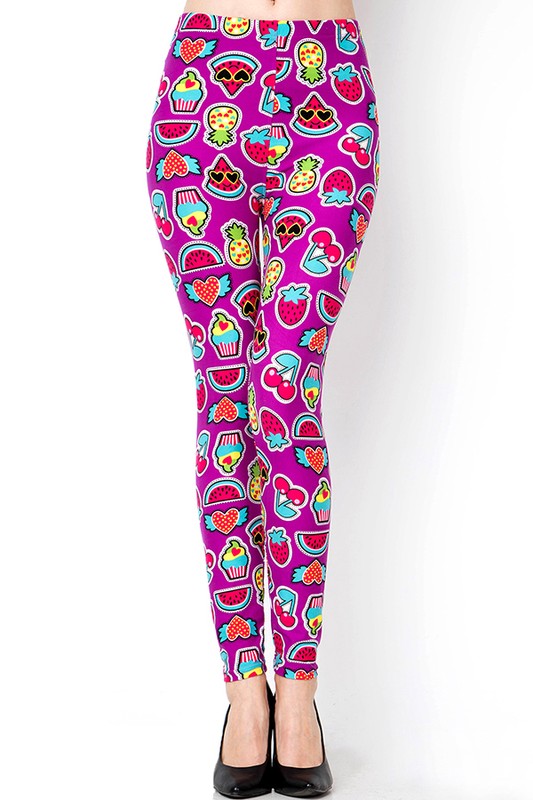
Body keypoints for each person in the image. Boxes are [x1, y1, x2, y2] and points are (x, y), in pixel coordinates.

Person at [144, 0, 380, 794]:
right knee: (224, 397)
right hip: (202, 85)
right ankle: (245, 694)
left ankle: (299, 694)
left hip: (329, 90)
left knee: (283, 395)